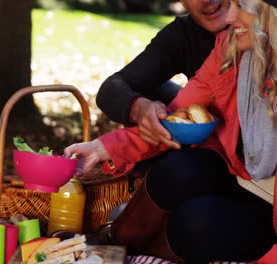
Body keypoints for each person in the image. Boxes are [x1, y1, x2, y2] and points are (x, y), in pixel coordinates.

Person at [65, 0, 277, 262]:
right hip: (244, 178)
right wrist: (103, 148)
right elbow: (179, 111)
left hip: (270, 211)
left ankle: (133, 252)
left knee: (195, 225)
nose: (229, 15)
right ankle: (113, 244)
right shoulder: (230, 45)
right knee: (177, 171)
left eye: (241, 6)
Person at [96, 0, 231, 148]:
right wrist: (140, 109)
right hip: (209, 147)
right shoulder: (183, 34)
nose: (206, 0)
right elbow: (111, 89)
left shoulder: (254, 28)